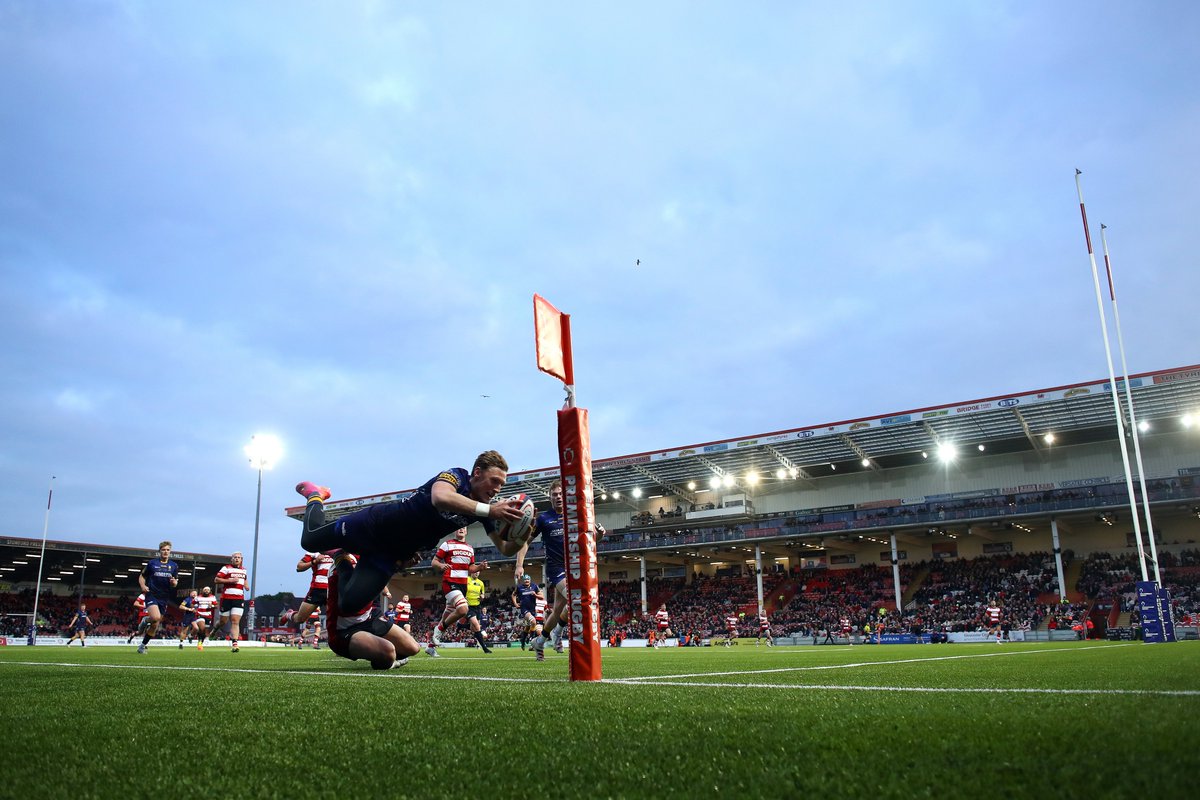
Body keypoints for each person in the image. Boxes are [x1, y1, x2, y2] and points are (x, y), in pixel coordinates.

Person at [294, 450, 527, 619]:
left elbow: (505, 548)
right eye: (495, 480)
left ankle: (340, 557)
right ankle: (315, 495)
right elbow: (440, 498)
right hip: (374, 526)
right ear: (477, 472)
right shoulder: (457, 475)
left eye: (502, 485)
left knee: (349, 604)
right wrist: (491, 510)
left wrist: (523, 533)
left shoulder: (483, 511)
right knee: (310, 540)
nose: (498, 489)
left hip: (391, 553)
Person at [521, 480, 605, 658]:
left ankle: (540, 642)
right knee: (576, 598)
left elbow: (588, 543)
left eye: (561, 494)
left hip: (573, 566)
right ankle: (559, 634)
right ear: (550, 497)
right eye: (554, 494)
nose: (558, 497)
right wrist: (519, 564)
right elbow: (526, 541)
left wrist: (599, 535)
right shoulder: (543, 519)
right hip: (555, 569)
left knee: (558, 609)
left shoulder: (574, 515)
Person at [326, 557, 420, 670]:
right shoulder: (344, 560)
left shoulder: (366, 556)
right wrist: (396, 564)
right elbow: (353, 597)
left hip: (369, 618)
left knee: (413, 648)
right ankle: (385, 658)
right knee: (388, 652)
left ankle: (377, 652)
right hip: (344, 630)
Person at [427, 526, 490, 657]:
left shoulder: (469, 548)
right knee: (462, 609)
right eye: (459, 528)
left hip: (462, 586)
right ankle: (439, 630)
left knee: (446, 618)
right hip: (450, 582)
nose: (461, 529)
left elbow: (471, 567)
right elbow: (434, 562)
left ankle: (431, 647)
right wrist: (441, 565)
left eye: (464, 528)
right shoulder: (447, 545)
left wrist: (480, 567)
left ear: (466, 531)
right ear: (455, 530)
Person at [136, 540, 179, 654]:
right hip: (152, 594)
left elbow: (175, 583)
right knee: (155, 617)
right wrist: (143, 585)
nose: (165, 552)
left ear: (170, 551)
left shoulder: (174, 566)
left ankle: (142, 646)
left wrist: (174, 583)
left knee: (155, 624)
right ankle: (146, 620)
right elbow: (142, 576)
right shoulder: (152, 563)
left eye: (168, 550)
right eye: (163, 550)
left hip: (164, 597)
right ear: (159, 551)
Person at [283, 551, 334, 645]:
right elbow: (299, 567)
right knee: (300, 619)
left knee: (335, 619)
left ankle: (337, 647)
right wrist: (314, 562)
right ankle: (289, 614)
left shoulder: (339, 549)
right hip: (317, 590)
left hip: (333, 589)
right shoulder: (314, 551)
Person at [214, 552, 248, 653]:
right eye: (235, 557)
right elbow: (216, 579)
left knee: (235, 620)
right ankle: (215, 629)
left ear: (241, 560)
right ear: (231, 559)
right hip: (226, 598)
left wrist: (246, 585)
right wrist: (230, 580)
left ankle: (235, 643)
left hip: (239, 598)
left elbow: (244, 579)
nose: (237, 559)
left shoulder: (244, 570)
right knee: (223, 621)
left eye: (239, 558)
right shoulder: (226, 568)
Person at [512, 574, 544, 657]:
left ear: (530, 580)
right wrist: (515, 603)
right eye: (525, 579)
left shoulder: (534, 586)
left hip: (532, 609)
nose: (526, 581)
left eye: (528, 579)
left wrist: (536, 595)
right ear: (523, 580)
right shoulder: (519, 587)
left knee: (527, 627)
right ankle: (531, 638)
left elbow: (542, 596)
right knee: (533, 622)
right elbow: (513, 595)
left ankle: (523, 640)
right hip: (524, 609)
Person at [464, 573, 492, 653]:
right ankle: (484, 648)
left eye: (478, 572)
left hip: (477, 607)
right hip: (468, 606)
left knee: (474, 628)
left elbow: (482, 593)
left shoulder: (481, 583)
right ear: (471, 572)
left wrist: (482, 596)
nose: (477, 573)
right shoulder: (466, 580)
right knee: (477, 626)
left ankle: (461, 626)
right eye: (475, 571)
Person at [192, 586, 217, 651]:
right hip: (200, 614)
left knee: (205, 632)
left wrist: (212, 606)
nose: (206, 591)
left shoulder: (212, 597)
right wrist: (193, 608)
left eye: (208, 590)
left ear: (210, 591)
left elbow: (216, 605)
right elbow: (192, 604)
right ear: (203, 591)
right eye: (205, 589)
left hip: (208, 616)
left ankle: (200, 643)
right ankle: (199, 642)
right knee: (202, 628)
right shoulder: (198, 597)